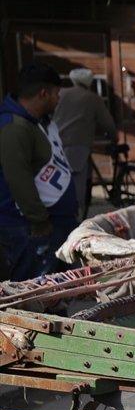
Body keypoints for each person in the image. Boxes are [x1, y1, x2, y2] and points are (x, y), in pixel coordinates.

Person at [0, 62, 76, 281]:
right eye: (56, 93)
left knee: (56, 287)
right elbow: (18, 178)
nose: (58, 99)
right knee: (34, 286)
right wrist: (39, 220)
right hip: (28, 227)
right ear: (44, 93)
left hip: (50, 223)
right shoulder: (14, 127)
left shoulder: (37, 122)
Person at [54, 67, 117, 216]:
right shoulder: (92, 98)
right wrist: (113, 136)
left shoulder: (60, 94)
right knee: (78, 185)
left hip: (55, 144)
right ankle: (76, 217)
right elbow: (107, 122)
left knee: (59, 181)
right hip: (77, 147)